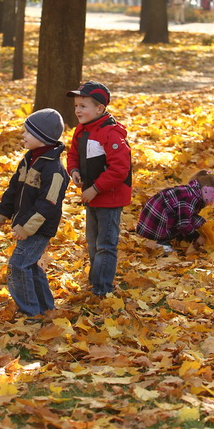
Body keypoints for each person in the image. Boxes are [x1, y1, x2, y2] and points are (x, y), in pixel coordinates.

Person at [0, 109, 69, 318]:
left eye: (28, 132)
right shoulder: (29, 160)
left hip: (39, 228)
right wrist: (1, 214)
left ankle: (29, 312)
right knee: (30, 266)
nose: (23, 135)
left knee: (18, 266)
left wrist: (26, 228)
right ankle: (45, 308)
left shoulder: (54, 170)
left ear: (43, 137)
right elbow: (13, 190)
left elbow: (47, 205)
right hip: (27, 224)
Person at [66, 81, 132, 296]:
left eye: (83, 106)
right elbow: (73, 154)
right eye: (76, 106)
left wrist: (95, 188)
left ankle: (103, 289)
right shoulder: (81, 130)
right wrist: (74, 170)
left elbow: (119, 169)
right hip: (91, 196)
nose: (77, 110)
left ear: (99, 109)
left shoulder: (111, 133)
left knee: (105, 244)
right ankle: (95, 282)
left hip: (109, 198)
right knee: (93, 243)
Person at [136, 170, 214, 252]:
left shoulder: (192, 193)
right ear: (207, 192)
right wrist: (196, 237)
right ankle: (162, 243)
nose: (213, 203)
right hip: (156, 223)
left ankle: (177, 238)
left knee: (194, 220)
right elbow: (183, 223)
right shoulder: (190, 198)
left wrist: (202, 226)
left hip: (157, 218)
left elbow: (189, 216)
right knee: (184, 223)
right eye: (213, 200)